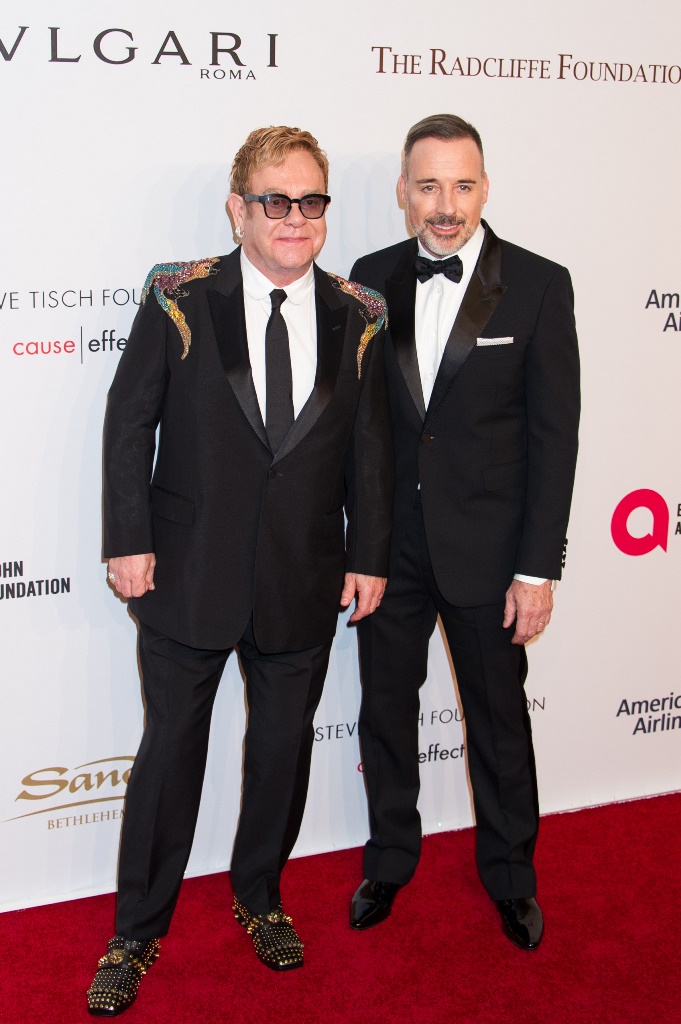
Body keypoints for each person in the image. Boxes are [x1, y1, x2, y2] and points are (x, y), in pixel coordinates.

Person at [87, 126, 393, 1016]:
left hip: (304, 574)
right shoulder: (180, 296)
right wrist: (127, 537)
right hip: (186, 571)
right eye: (275, 201)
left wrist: (370, 553)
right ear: (239, 208)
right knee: (170, 755)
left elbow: (369, 448)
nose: (294, 219)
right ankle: (135, 931)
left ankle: (259, 898)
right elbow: (127, 421)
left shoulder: (359, 313)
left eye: (311, 202)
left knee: (280, 752)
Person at [348, 114, 580, 950]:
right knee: (384, 711)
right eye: (428, 184)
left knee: (498, 720)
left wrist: (536, 568)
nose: (445, 205)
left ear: (485, 186)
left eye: (462, 184)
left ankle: (511, 876)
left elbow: (556, 439)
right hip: (387, 554)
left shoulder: (540, 284)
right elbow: (362, 427)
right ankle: (388, 858)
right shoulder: (368, 280)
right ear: (404, 190)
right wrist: (356, 545)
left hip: (491, 553)